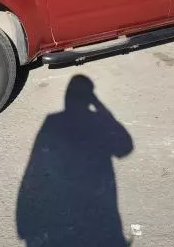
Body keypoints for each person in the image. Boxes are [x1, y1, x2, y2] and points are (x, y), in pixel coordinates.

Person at [16, 75, 134, 247]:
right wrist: (99, 106)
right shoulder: (97, 121)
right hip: (95, 210)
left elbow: (34, 164)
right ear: (89, 98)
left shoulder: (52, 121)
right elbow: (124, 148)